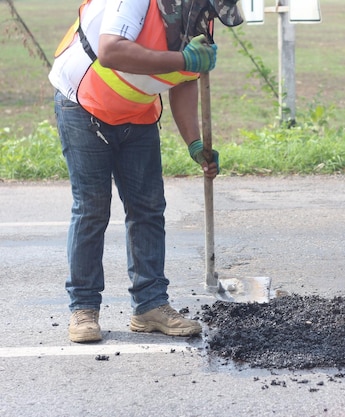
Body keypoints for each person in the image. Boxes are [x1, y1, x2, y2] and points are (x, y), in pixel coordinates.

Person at [48, 0, 243, 343]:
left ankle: (150, 306)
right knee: (92, 209)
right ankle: (84, 309)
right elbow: (111, 50)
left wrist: (194, 143)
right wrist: (184, 59)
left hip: (136, 112)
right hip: (84, 104)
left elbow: (184, 79)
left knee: (148, 209)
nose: (209, 18)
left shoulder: (198, 19)